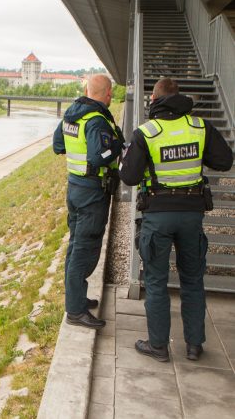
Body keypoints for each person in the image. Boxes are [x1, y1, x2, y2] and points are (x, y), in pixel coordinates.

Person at [119, 78, 233, 362]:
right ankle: (194, 344)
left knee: (156, 281)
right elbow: (225, 161)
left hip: (158, 215)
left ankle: (158, 346)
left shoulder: (146, 132)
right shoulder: (200, 127)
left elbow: (129, 177)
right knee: (193, 280)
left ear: (154, 100)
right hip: (191, 215)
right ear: (178, 97)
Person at [53, 74, 124, 329]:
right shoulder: (97, 120)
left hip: (75, 187)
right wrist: (117, 144)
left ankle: (77, 300)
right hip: (92, 192)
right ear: (107, 94)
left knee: (76, 246)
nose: (111, 97)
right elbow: (99, 156)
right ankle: (75, 312)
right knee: (84, 249)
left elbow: (58, 146)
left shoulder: (72, 114)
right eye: (111, 94)